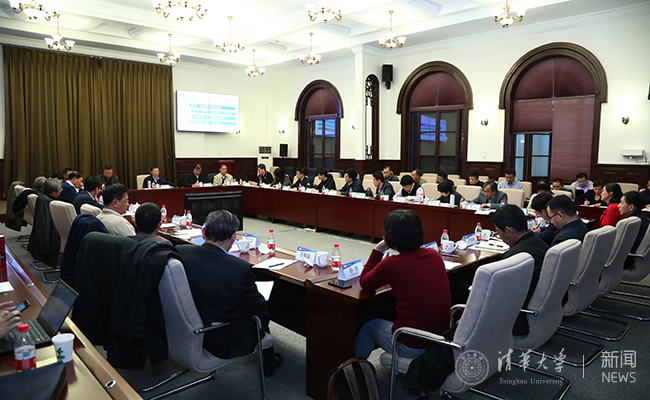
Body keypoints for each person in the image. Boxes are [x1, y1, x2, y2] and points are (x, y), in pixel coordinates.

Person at [176, 210, 282, 376]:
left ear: (203, 232)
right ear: (234, 237)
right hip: (220, 339)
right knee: (261, 314)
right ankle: (268, 363)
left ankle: (268, 361)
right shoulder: (239, 268)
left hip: (187, 327)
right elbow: (257, 307)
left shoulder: (181, 252)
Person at [355, 210, 450, 359]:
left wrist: (378, 249)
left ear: (389, 236)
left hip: (412, 344)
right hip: (440, 339)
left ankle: (355, 369)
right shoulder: (435, 255)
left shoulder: (392, 264)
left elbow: (365, 282)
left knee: (369, 327)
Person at [492, 205, 549, 335]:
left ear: (509, 230)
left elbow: (499, 296)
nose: (500, 237)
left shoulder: (513, 259)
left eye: (499, 232)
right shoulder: (541, 244)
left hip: (516, 320)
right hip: (542, 313)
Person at [619, 191, 650, 269]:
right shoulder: (644, 218)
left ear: (631, 207)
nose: (618, 205)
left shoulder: (631, 224)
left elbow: (623, 246)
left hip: (627, 260)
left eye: (622, 203)